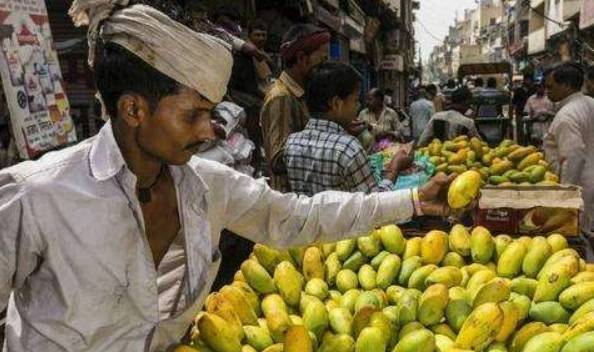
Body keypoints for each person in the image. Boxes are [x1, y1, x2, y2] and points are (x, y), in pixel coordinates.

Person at [0, 2, 452, 350]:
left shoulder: (204, 186)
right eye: (193, 115)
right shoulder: (39, 196)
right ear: (133, 109)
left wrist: (410, 202)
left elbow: (299, 218)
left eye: (211, 113)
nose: (208, 131)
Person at [284, 62, 412, 196]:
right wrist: (394, 168)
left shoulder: (292, 143)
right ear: (336, 104)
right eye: (355, 100)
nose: (358, 106)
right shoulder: (348, 148)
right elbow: (374, 204)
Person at [260, 24, 330, 191]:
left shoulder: (300, 94)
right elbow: (277, 159)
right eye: (322, 60)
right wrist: (330, 149)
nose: (324, 68)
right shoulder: (281, 97)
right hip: (290, 200)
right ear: (301, 58)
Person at [543, 63, 594, 237]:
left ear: (565, 86)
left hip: (580, 185)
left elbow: (573, 158)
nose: (547, 91)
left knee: (579, 234)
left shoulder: (567, 116)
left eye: (550, 86)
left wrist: (566, 196)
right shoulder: (590, 103)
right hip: (589, 182)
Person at [228, 19, 273, 172]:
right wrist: (264, 95)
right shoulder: (244, 56)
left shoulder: (262, 56)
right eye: (257, 35)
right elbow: (246, 84)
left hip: (254, 93)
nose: (261, 38)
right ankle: (256, 157)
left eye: (264, 35)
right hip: (241, 95)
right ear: (249, 35)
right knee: (257, 108)